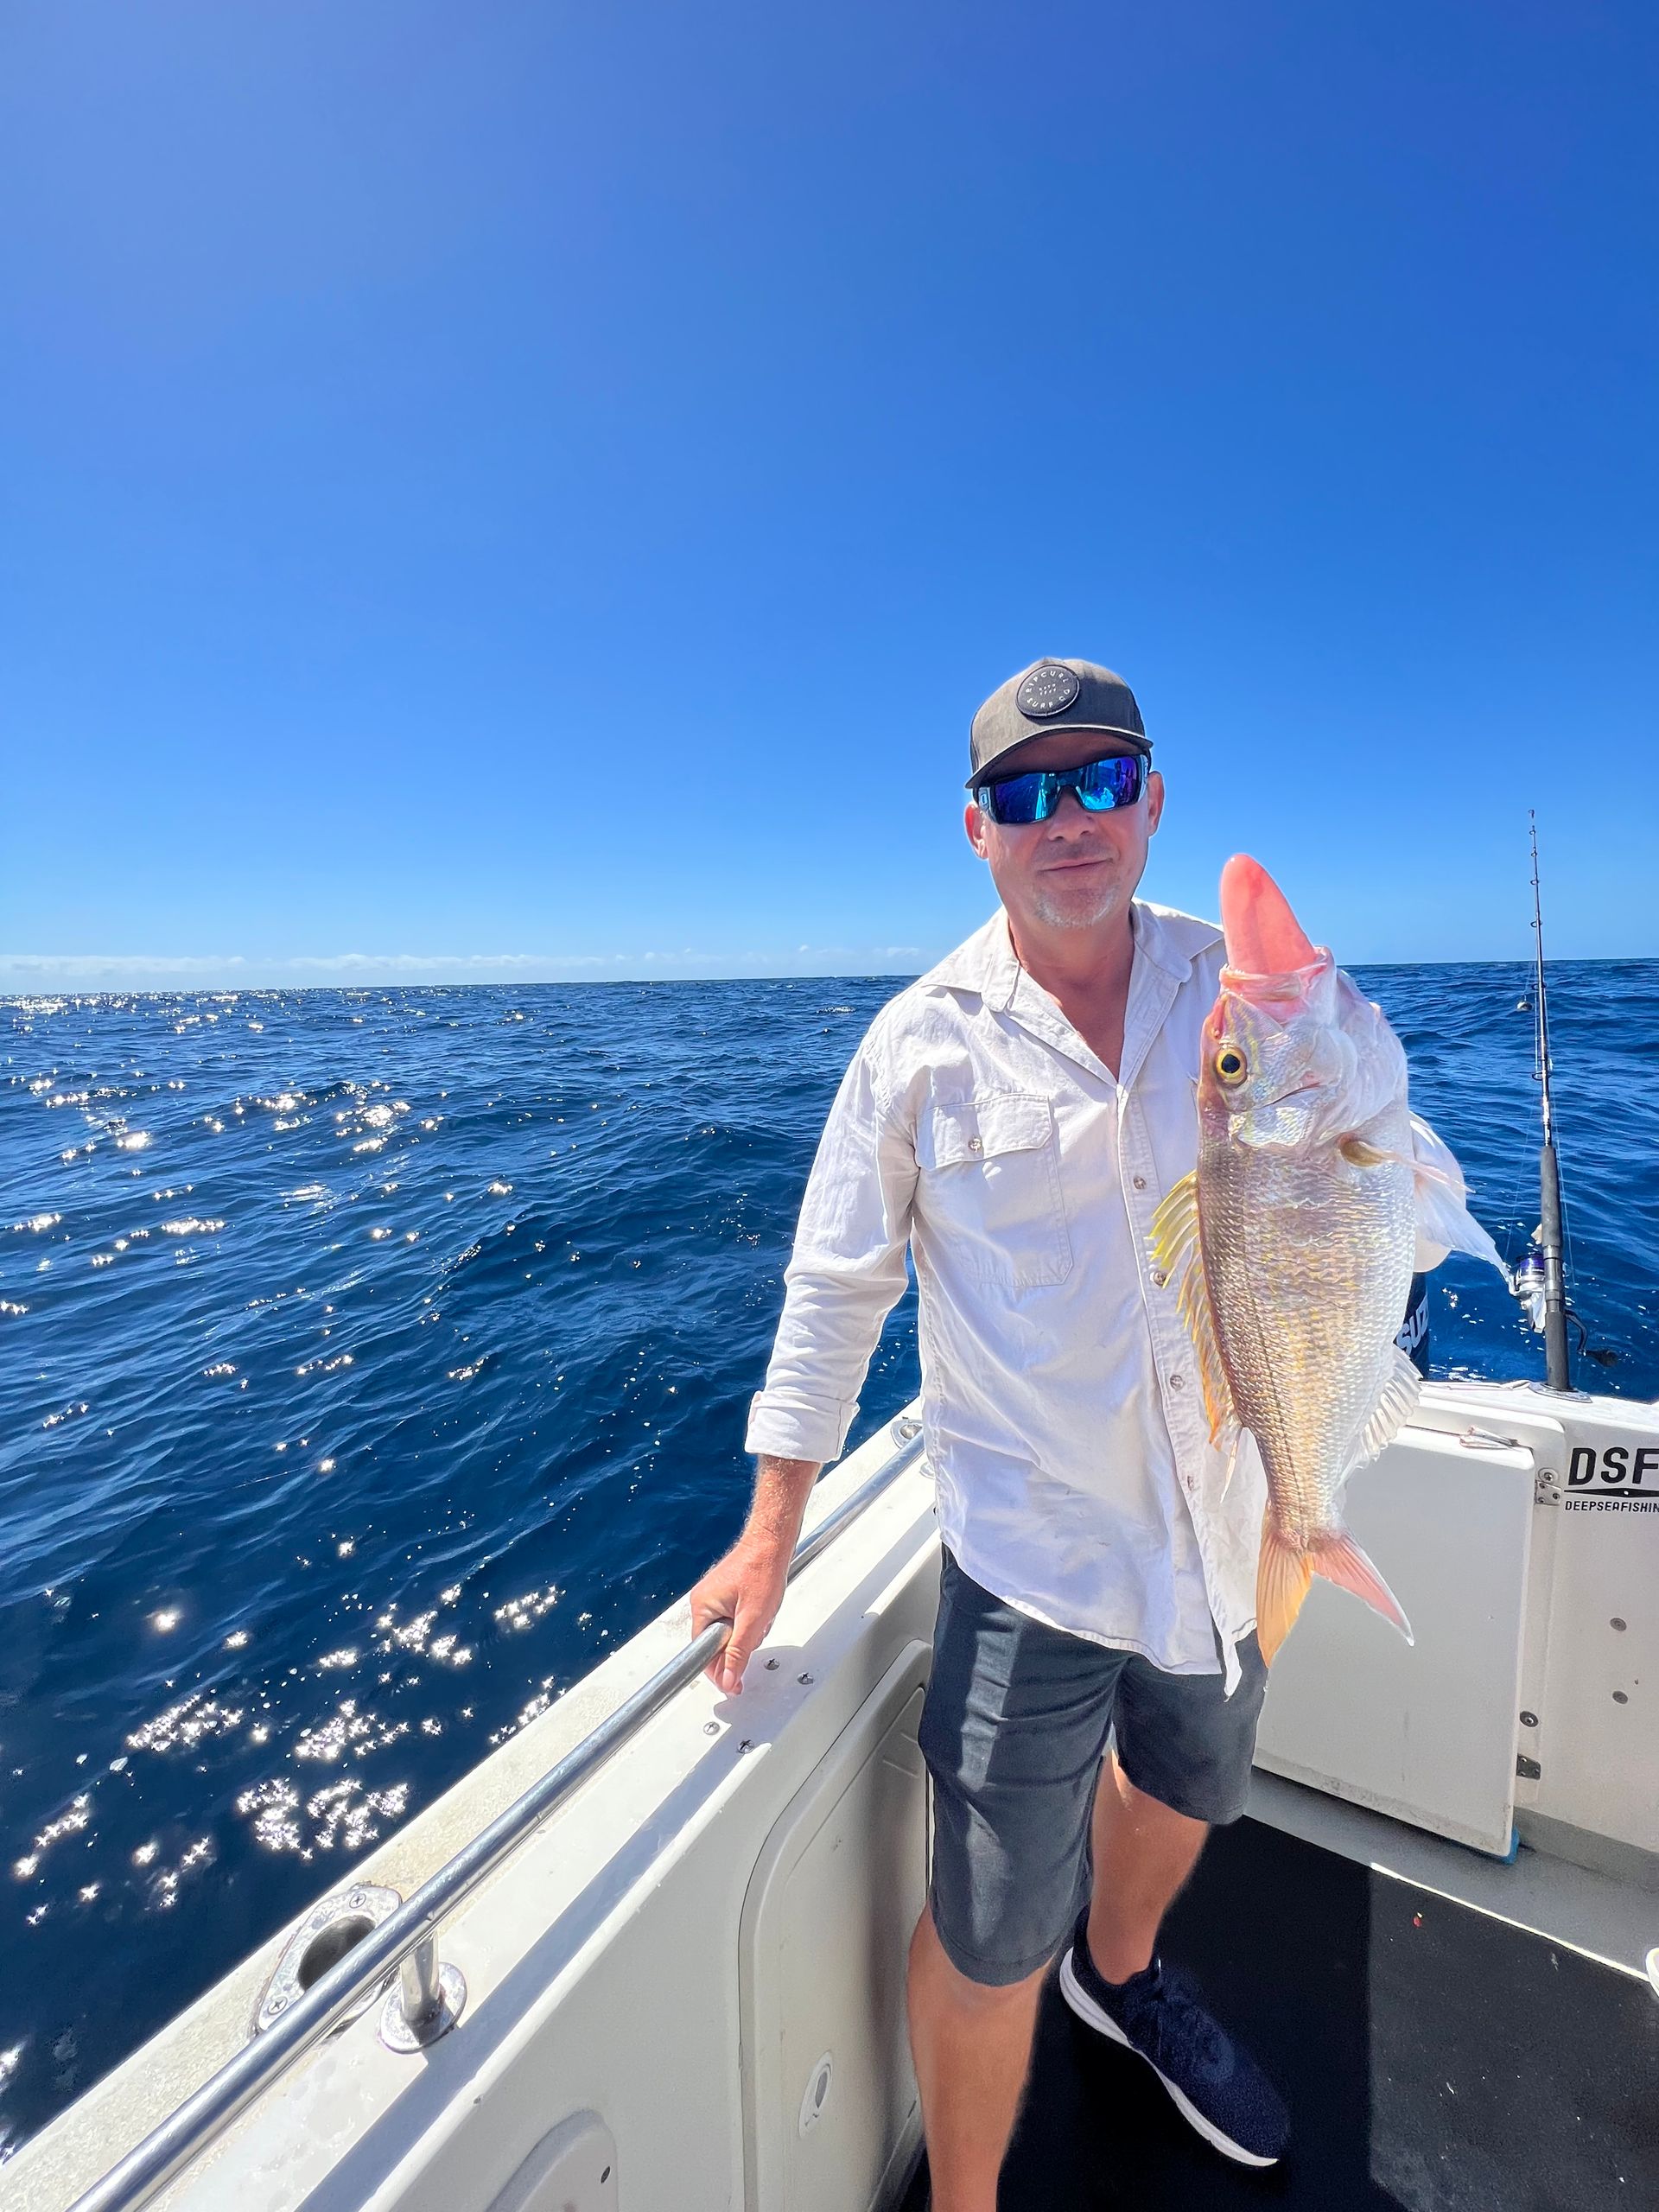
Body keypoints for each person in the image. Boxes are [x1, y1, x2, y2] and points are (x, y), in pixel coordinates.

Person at [687, 658, 1442, 2208]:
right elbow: (836, 1290)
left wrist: (1359, 1082)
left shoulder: (1239, 999)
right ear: (978, 833)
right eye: (1028, 794)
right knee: (983, 1929)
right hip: (1031, 1559)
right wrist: (772, 1530)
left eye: (1101, 779)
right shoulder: (916, 1046)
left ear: (1153, 800)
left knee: (1186, 1789)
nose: (1069, 819)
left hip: (1235, 1533)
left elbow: (1379, 1182)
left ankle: (1126, 1972)